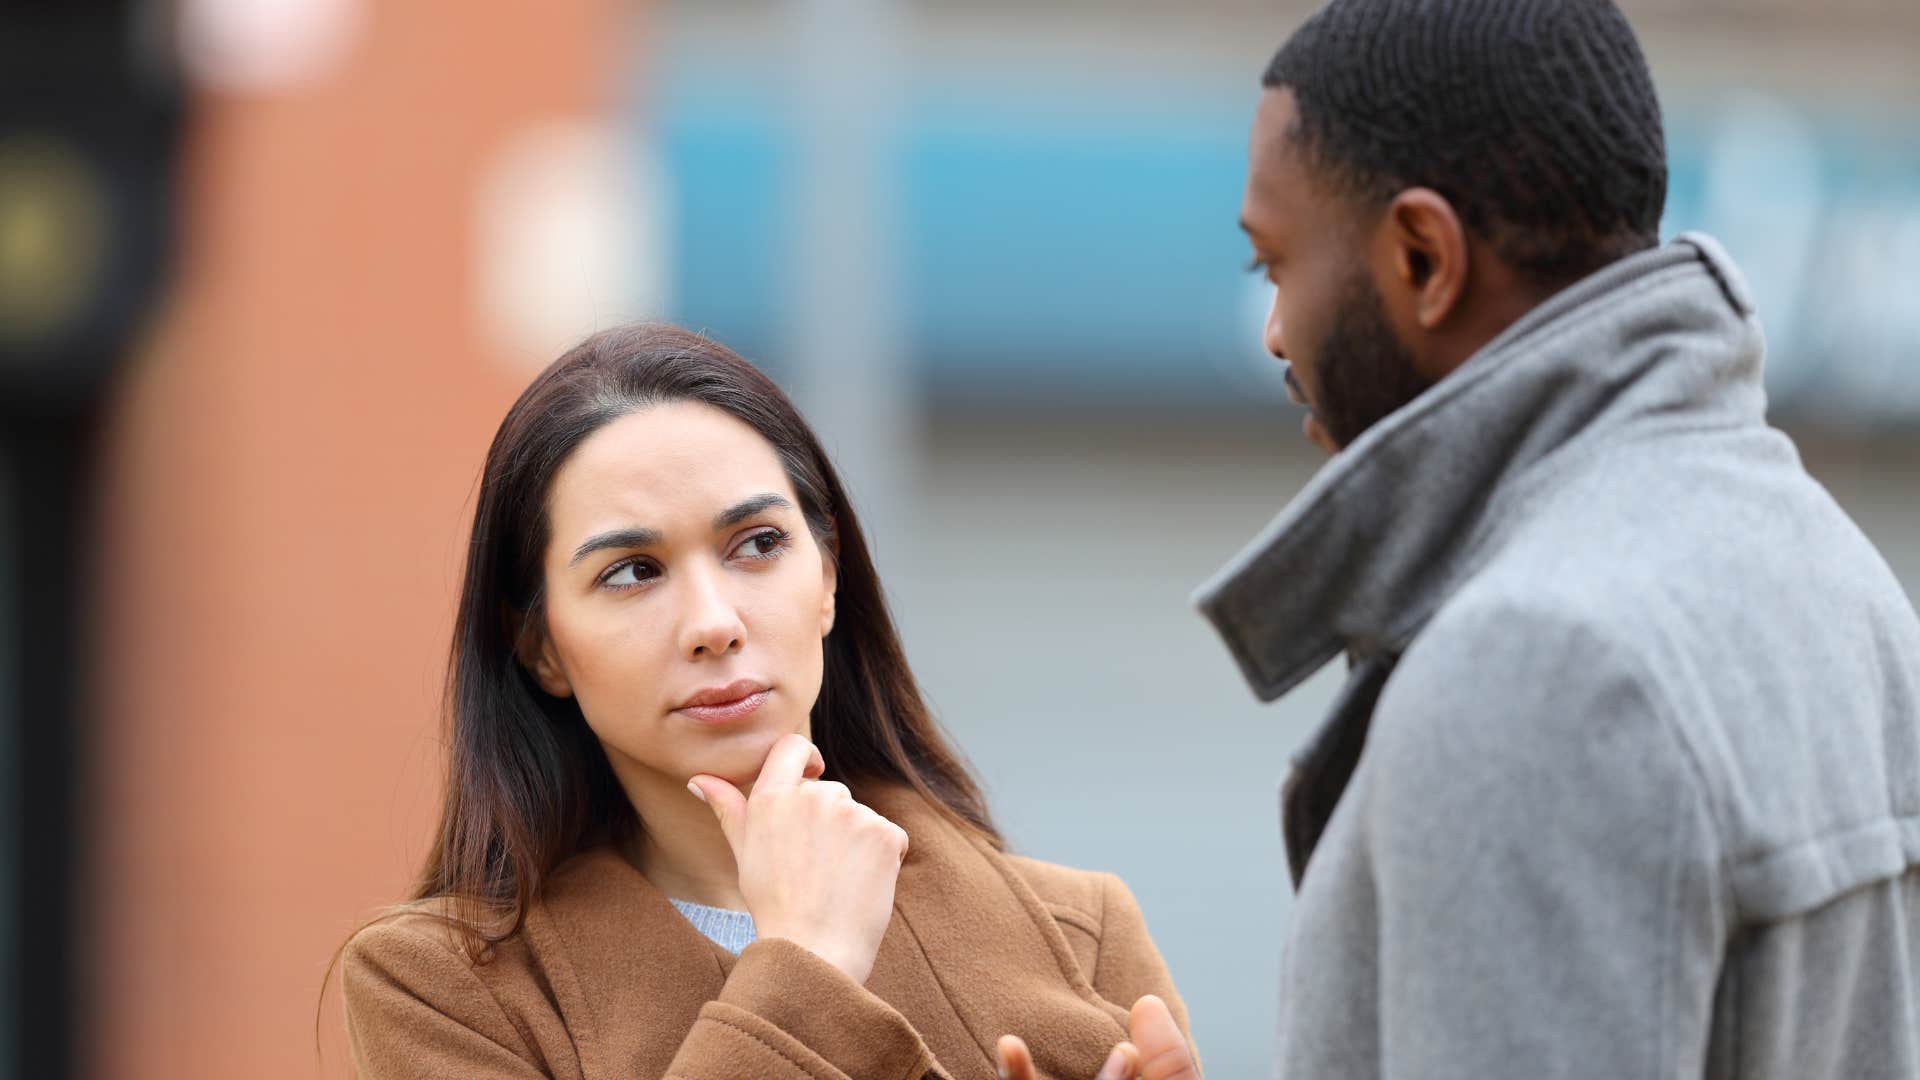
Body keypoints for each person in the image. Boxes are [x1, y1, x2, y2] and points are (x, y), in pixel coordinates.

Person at [1008, 0, 1920, 1077]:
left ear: (1423, 257)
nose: (1275, 332)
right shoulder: (1836, 573)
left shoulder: (1536, 663)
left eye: (1275, 265)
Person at [336, 324, 1194, 1079]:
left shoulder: (1080, 931)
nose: (713, 623)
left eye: (757, 544)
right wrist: (802, 970)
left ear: (828, 577)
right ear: (542, 647)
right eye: (632, 572)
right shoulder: (441, 988)